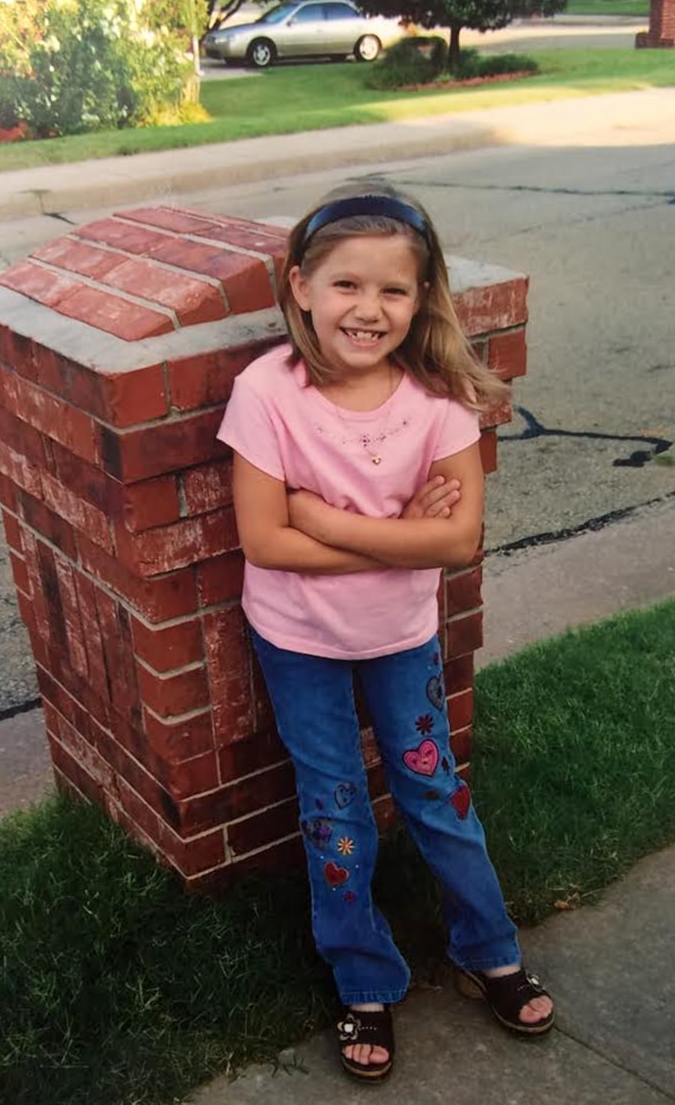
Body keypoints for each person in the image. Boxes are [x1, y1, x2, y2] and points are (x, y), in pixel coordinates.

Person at [217, 179, 554, 1083]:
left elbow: (457, 539)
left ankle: (489, 949)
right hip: (299, 644)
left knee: (434, 795)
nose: (368, 309)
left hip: (402, 639)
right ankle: (363, 978)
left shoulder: (438, 401)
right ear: (300, 287)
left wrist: (329, 525)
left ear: (421, 298)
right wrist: (401, 535)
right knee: (334, 810)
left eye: (393, 291)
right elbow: (262, 540)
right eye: (346, 286)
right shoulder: (267, 393)